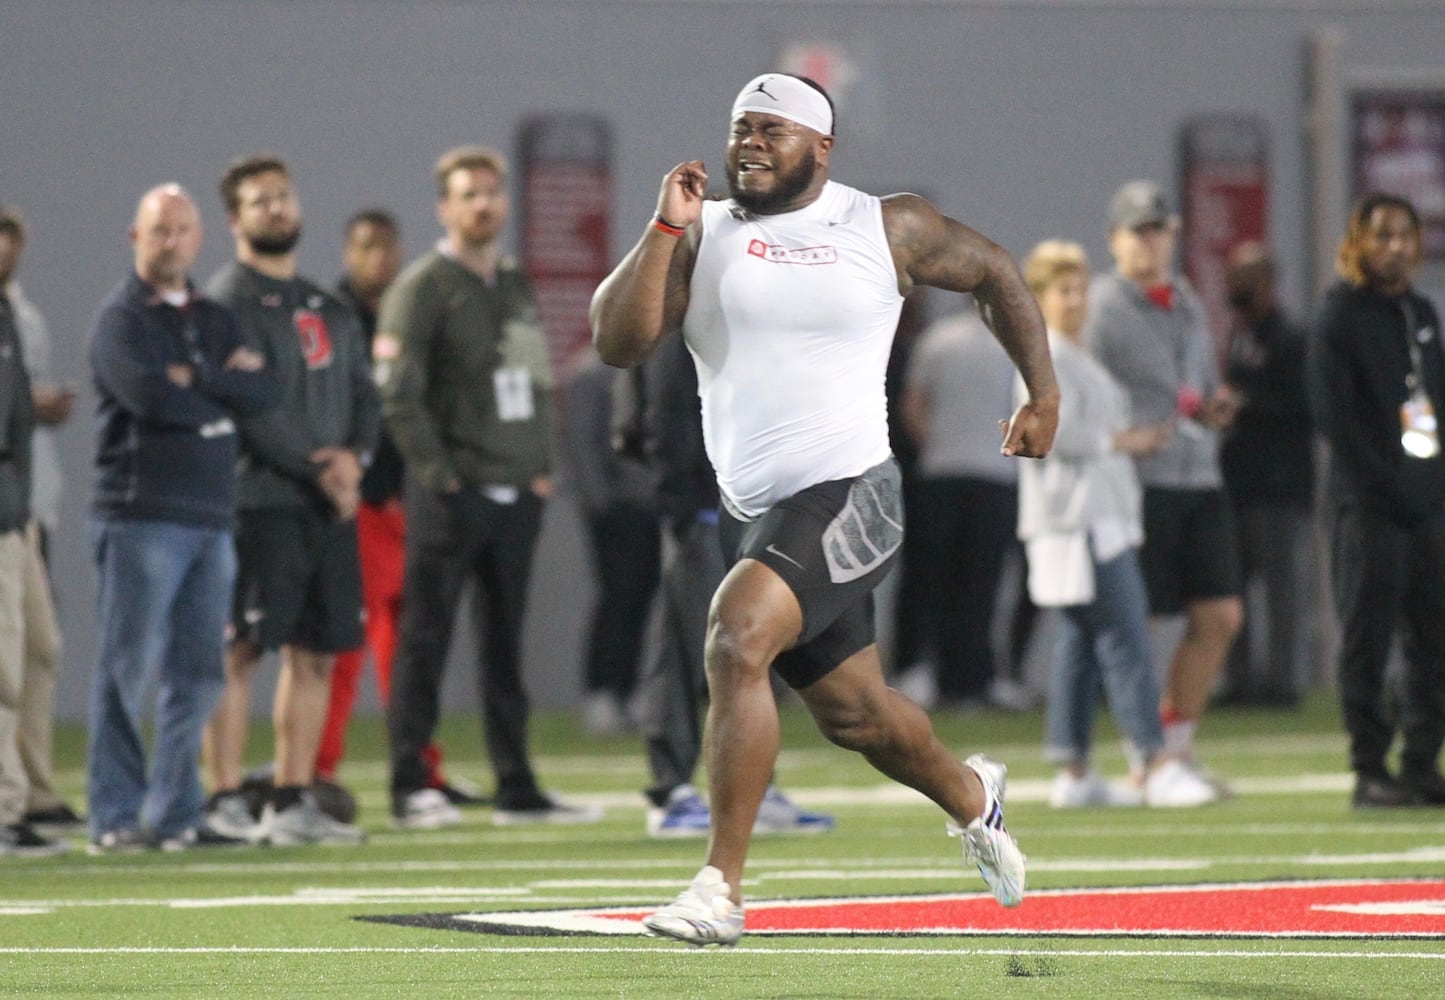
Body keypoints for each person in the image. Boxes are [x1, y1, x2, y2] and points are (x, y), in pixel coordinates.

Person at [591, 73, 1057, 946]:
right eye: (739, 129)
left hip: (854, 493)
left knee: (736, 636)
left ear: (821, 146)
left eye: (771, 129)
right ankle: (971, 796)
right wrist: (662, 228)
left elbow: (995, 272)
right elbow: (617, 342)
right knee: (858, 718)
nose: (750, 144)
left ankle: (717, 890)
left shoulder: (883, 222)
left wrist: (1043, 394)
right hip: (755, 514)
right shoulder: (702, 232)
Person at [378, 145, 601, 829]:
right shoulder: (422, 286)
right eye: (467, 195)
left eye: (490, 193)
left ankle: (516, 783)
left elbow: (534, 380)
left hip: (514, 493)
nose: (482, 205)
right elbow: (397, 395)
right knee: (427, 640)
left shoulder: (512, 281)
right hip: (453, 494)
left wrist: (540, 467)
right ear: (444, 207)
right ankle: (411, 783)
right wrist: (442, 477)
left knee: (506, 646)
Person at [84, 184, 278, 853]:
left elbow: (261, 389)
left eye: (182, 229)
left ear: (201, 237)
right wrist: (212, 393)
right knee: (125, 669)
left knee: (199, 672)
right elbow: (145, 395)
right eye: (159, 230)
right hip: (141, 515)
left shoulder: (214, 315)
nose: (172, 242)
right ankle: (114, 814)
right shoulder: (121, 319)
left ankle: (175, 814)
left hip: (210, 516)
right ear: (134, 237)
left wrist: (192, 381)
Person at [203, 154, 378, 846]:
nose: (276, 208)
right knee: (242, 649)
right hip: (262, 498)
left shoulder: (326, 306)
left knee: (316, 654)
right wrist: (317, 467)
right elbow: (249, 410)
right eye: (259, 200)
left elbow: (366, 394)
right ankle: (222, 799)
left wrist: (353, 461)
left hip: (327, 505)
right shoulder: (224, 305)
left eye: (283, 196)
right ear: (234, 219)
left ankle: (290, 797)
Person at [1017, 239, 1217, 809]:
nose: (1077, 299)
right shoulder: (1042, 357)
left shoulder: (1075, 355)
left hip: (1097, 514)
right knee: (1126, 636)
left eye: (1081, 287)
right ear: (1037, 298)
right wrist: (1122, 440)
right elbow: (1047, 435)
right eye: (1063, 289)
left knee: (1080, 644)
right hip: (1081, 520)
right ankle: (1154, 763)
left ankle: (1074, 769)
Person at [309, 209, 481, 813]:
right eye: (365, 247)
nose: (377, 259)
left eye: (386, 246)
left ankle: (419, 768)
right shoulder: (328, 315)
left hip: (408, 500)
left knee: (411, 647)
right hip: (353, 504)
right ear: (348, 252)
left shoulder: (410, 307)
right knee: (344, 644)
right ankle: (315, 769)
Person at [635, 332, 835, 838]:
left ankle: (756, 784)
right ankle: (671, 789)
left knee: (754, 643)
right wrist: (681, 506)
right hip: (703, 510)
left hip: (751, 509)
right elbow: (658, 417)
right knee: (684, 649)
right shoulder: (686, 327)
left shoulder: (745, 323)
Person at [1085, 180, 1243, 786]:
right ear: (1115, 239)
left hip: (1198, 471)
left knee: (1220, 614)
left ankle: (1176, 744)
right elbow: (1089, 393)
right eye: (1138, 231)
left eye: (1159, 230)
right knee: (1141, 620)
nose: (1150, 242)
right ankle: (1143, 753)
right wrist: (1125, 436)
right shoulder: (1102, 307)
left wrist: (1211, 406)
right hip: (1139, 480)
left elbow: (1194, 386)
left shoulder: (1186, 301)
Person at [1308, 192, 1445, 808]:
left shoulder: (1420, 311)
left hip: (1426, 502)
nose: (1396, 246)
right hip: (1366, 505)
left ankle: (1420, 762)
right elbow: (1334, 417)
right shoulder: (1339, 314)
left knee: (1433, 636)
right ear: (1359, 243)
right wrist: (1385, 483)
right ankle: (1369, 768)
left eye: (1405, 235)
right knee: (1368, 636)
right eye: (1383, 235)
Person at [900, 301, 1037, 710]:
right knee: (980, 585)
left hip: (940, 472)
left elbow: (913, 407)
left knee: (928, 580)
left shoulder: (936, 341)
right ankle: (971, 677)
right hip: (995, 477)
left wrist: (936, 444)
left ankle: (917, 670)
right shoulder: (1014, 348)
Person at [0, 207, 82, 833]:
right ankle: (5, 803)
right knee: (3, 660)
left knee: (41, 650)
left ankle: (32, 791)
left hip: (20, 507)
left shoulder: (13, 313)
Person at [1218, 241, 1316, 708]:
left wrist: (1246, 404)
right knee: (1233, 586)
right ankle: (1242, 681)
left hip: (1278, 485)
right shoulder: (1243, 335)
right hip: (1240, 482)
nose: (1235, 290)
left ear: (1267, 284)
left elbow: (1305, 406)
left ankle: (1281, 683)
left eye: (1245, 281)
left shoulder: (1290, 338)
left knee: (1280, 589)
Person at [562, 349, 661, 735]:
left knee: (642, 599)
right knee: (618, 598)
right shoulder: (592, 371)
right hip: (619, 506)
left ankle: (630, 689)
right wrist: (600, 502)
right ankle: (602, 692)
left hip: (653, 502)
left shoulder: (651, 364)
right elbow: (583, 440)